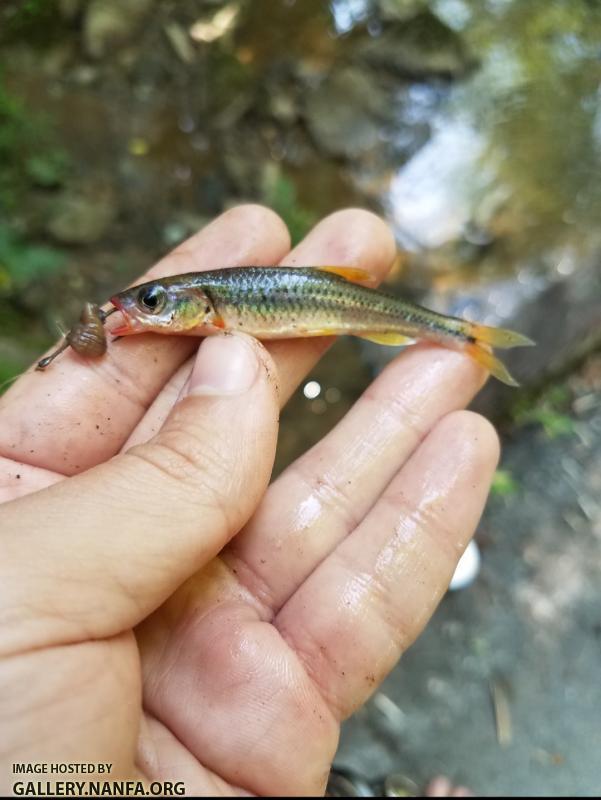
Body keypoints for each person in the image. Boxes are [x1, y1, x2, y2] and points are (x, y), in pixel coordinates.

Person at [0, 206, 497, 796]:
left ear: (201, 305)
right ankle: (463, 338)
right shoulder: (203, 312)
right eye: (152, 302)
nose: (145, 310)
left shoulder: (221, 311)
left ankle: (464, 339)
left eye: (156, 302)